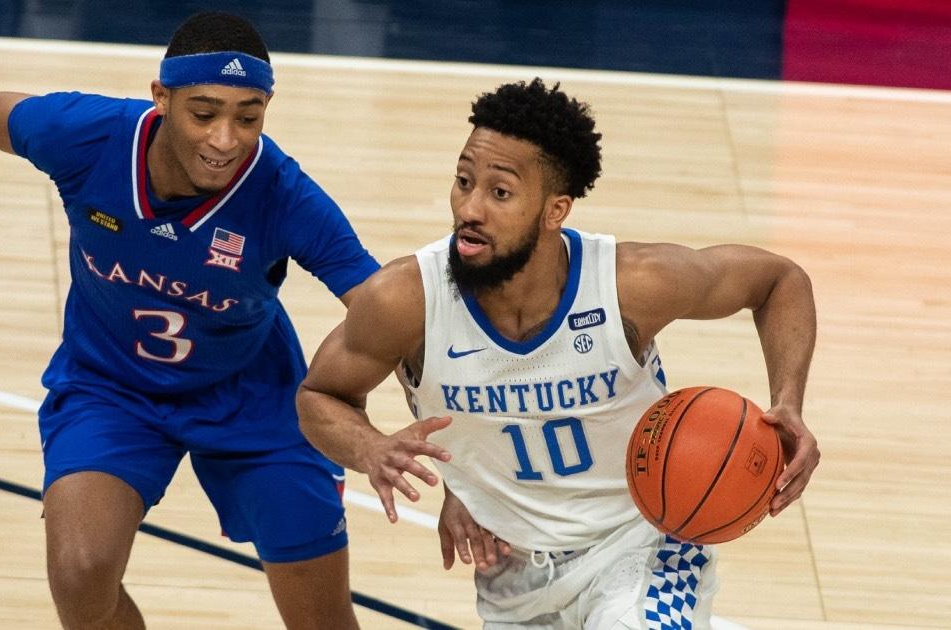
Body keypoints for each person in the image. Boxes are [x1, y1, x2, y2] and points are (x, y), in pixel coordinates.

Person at [0, 11, 374, 630]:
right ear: (162, 98)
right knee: (80, 577)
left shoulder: (285, 194)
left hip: (253, 396)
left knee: (322, 623)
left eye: (249, 116)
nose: (226, 138)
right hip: (112, 386)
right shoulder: (89, 135)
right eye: (204, 113)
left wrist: (451, 465)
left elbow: (383, 306)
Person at [296, 78, 820, 629]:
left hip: (640, 545)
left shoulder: (629, 285)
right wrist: (372, 448)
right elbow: (320, 395)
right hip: (511, 573)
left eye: (500, 193)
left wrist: (788, 401)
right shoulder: (405, 299)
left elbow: (779, 281)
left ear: (555, 210)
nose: (470, 208)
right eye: (463, 180)